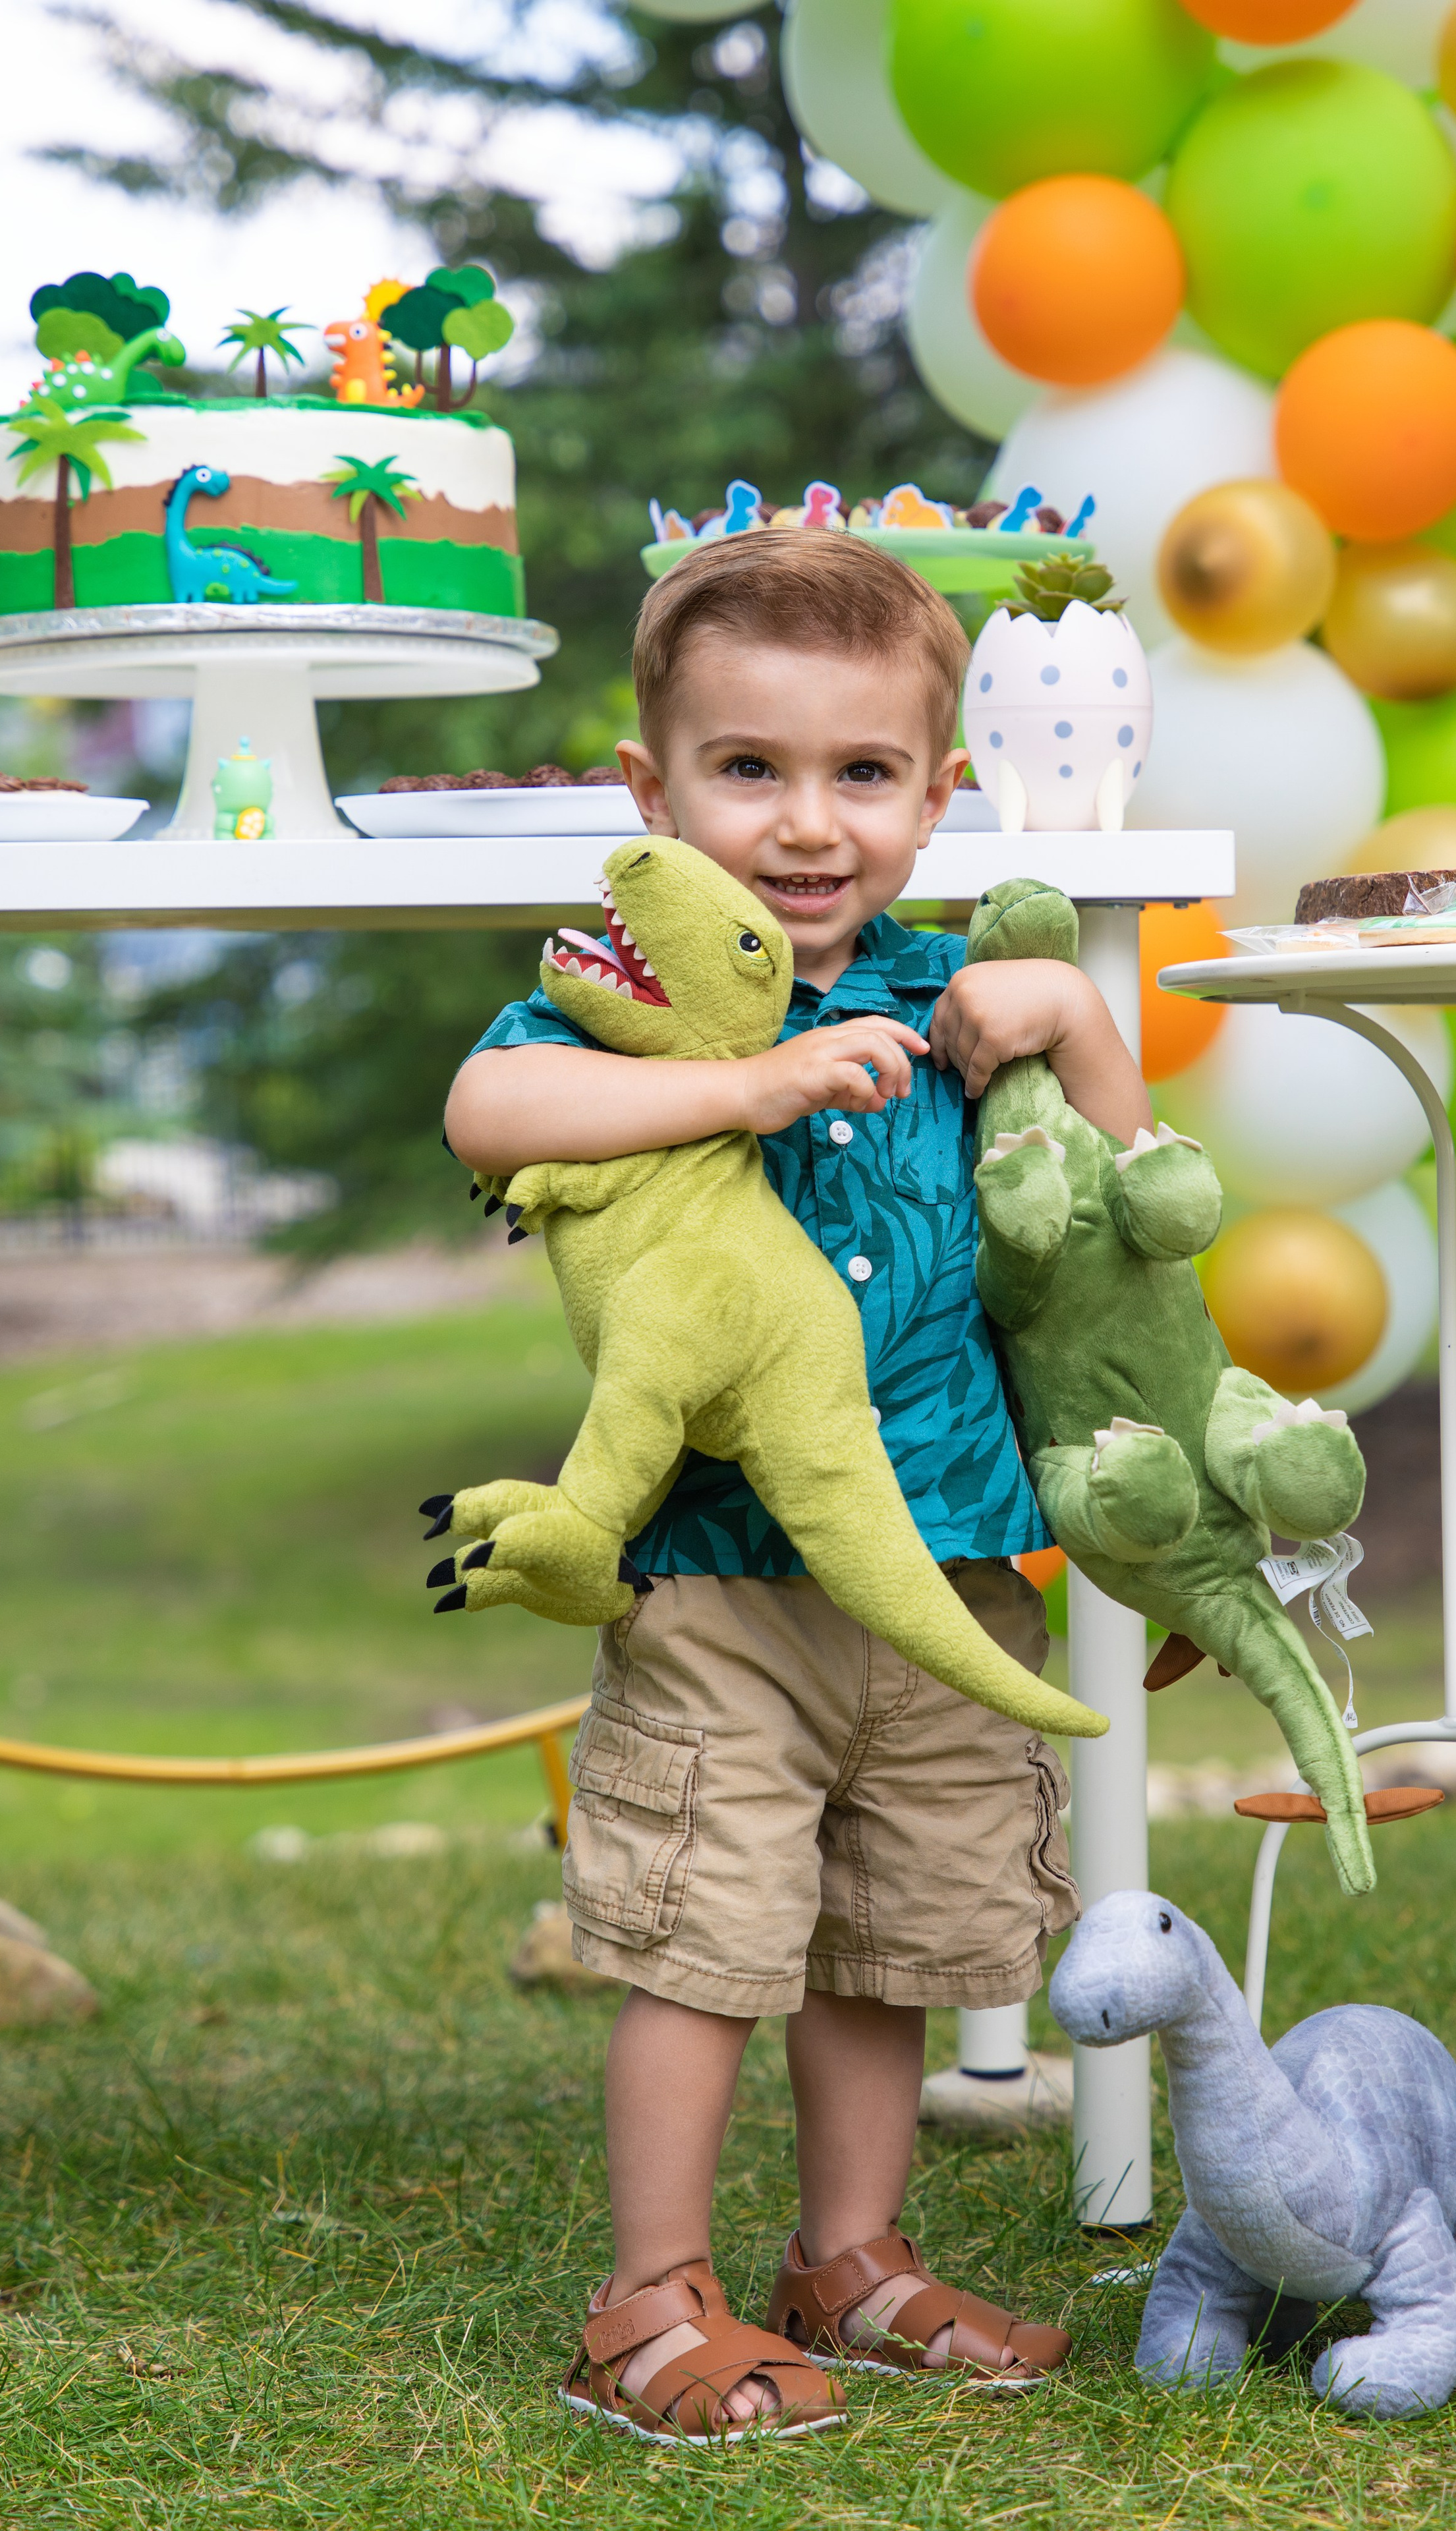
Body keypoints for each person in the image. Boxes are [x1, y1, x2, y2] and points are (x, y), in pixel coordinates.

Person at [445, 531, 1152, 2445]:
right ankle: (646, 2297)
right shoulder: (618, 1007)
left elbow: (1134, 1217)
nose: (805, 825)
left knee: (892, 1936)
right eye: (748, 770)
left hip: (948, 1572)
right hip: (714, 1584)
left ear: (942, 791)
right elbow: (487, 1114)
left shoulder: (958, 996)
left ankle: (852, 2255)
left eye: (862, 775)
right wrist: (742, 1091)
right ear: (651, 792)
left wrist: (1077, 1019)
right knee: (707, 1931)